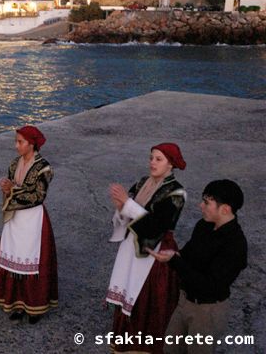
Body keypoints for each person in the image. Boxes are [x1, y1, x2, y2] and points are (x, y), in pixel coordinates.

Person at [149, 179, 247, 354]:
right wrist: (173, 255)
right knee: (170, 349)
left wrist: (175, 261)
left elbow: (211, 286)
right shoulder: (204, 226)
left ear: (225, 208)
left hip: (206, 312)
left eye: (207, 202)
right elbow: (188, 254)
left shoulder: (235, 245)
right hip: (184, 301)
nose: (200, 206)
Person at [106, 143, 187, 353]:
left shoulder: (176, 192)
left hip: (154, 252)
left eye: (158, 159)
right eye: (151, 157)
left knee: (146, 298)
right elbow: (127, 215)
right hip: (130, 247)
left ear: (170, 164)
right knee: (127, 289)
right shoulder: (143, 182)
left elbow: (156, 226)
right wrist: (120, 206)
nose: (152, 162)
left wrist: (127, 203)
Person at [0, 126, 58, 324]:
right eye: (16, 141)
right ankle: (18, 303)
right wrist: (6, 187)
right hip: (15, 219)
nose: (16, 145)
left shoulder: (44, 167)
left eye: (20, 142)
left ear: (32, 144)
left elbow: (38, 196)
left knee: (32, 261)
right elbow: (11, 188)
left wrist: (13, 190)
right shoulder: (13, 164)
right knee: (15, 259)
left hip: (33, 220)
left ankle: (35, 306)